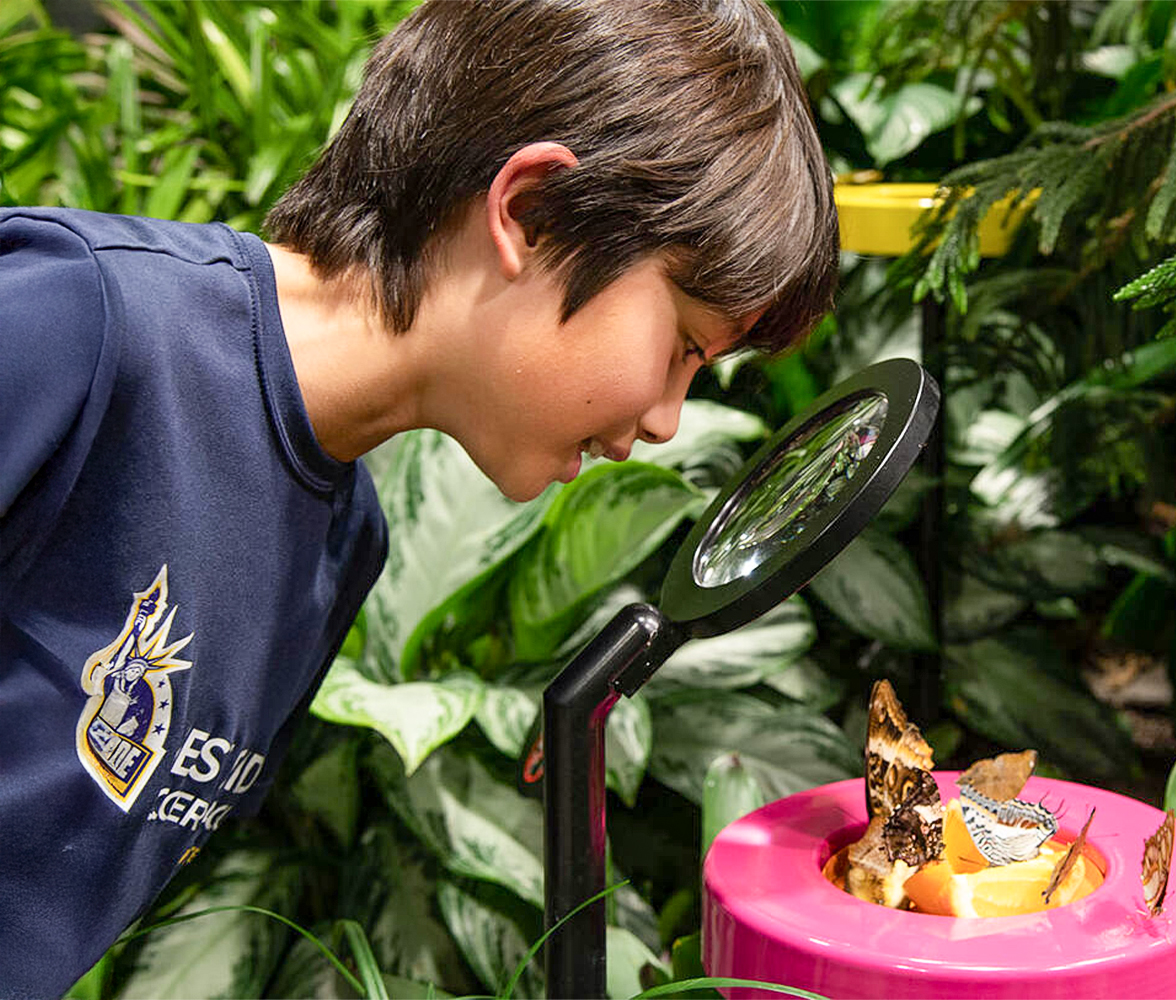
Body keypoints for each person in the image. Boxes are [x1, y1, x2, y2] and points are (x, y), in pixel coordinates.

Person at [0, 0, 836, 993]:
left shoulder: (341, 546)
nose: (664, 417)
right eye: (685, 345)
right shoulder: (73, 320)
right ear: (529, 212)